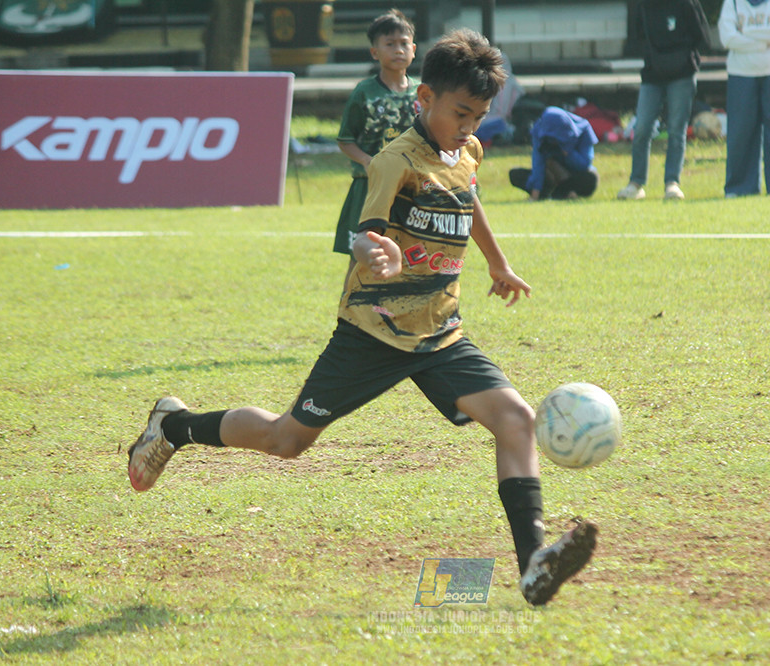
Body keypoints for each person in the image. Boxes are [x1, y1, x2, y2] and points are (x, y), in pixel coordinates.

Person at [125, 29, 598, 607]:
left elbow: (467, 198)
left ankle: (534, 563)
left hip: (441, 332)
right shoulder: (394, 160)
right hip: (373, 330)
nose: (470, 126)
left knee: (517, 419)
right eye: (460, 113)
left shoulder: (467, 151)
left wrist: (499, 263)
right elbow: (366, 232)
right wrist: (376, 250)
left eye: (479, 115)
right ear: (424, 98)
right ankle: (174, 426)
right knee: (286, 440)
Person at [334, 10, 420, 281]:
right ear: (375, 52)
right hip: (368, 187)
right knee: (361, 253)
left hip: (409, 187)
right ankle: (348, 311)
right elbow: (346, 139)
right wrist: (369, 162)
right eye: (390, 44)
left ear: (414, 49)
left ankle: (398, 311)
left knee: (410, 251)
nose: (398, 50)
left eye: (404, 43)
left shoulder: (423, 94)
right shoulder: (364, 93)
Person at [617, 0, 711, 202]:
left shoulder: (686, 4)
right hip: (652, 74)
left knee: (677, 130)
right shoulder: (642, 5)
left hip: (683, 73)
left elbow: (700, 35)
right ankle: (636, 183)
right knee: (641, 128)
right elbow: (636, 38)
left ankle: (672, 184)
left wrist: (680, 55)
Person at [718, 0, 770, 197]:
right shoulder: (732, 3)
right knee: (741, 132)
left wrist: (744, 32)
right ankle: (740, 187)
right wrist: (765, 41)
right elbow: (727, 38)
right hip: (740, 72)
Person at [508, 106, 599, 200]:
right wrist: (535, 193)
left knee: (591, 178)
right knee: (515, 174)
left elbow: (584, 164)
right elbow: (538, 164)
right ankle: (550, 192)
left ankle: (565, 191)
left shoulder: (583, 130)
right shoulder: (539, 132)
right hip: (549, 173)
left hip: (573, 174)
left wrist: (568, 152)